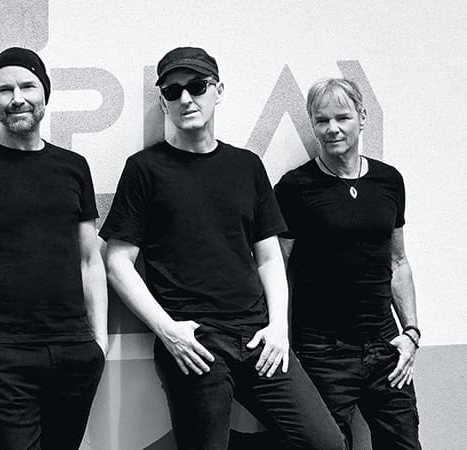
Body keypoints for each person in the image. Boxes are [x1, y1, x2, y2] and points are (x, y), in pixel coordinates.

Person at [100, 46, 345, 450]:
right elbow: (118, 262)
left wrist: (278, 327)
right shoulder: (145, 170)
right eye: (173, 91)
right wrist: (168, 331)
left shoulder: (246, 166)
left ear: (218, 91)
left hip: (258, 336)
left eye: (197, 86)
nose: (185, 98)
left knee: (327, 444)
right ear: (163, 101)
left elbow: (269, 257)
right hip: (194, 341)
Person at [0, 47, 107, 450]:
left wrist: (99, 344)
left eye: (27, 86)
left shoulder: (74, 167)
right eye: (4, 90)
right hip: (2, 355)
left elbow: (89, 260)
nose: (17, 98)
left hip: (75, 351)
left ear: (45, 93)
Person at [274, 78, 421, 449]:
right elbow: (277, 269)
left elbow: (398, 261)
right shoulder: (295, 187)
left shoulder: (389, 181)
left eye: (342, 117)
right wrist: (280, 336)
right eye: (322, 120)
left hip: (386, 346)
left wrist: (411, 333)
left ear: (363, 117)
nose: (332, 128)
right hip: (322, 351)